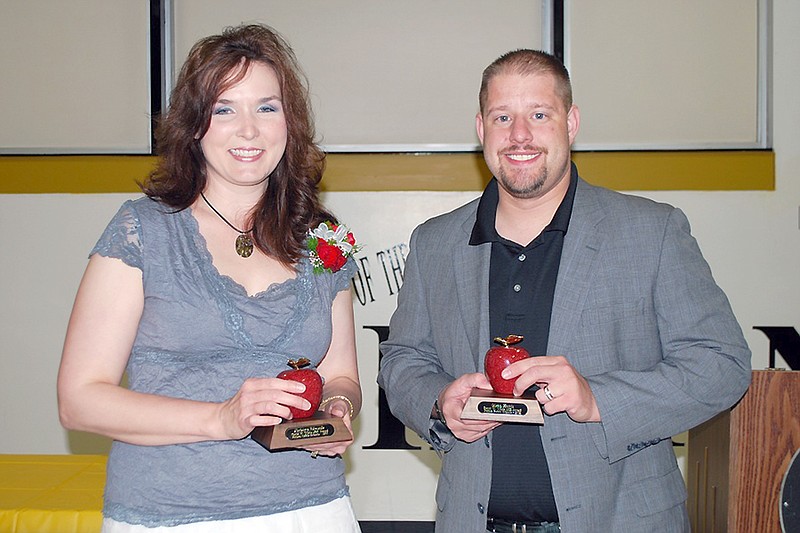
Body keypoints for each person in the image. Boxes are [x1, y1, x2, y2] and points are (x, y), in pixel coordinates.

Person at [377, 49, 751, 533]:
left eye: (539, 114)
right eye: (503, 117)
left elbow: (722, 364)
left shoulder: (652, 232)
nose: (520, 136)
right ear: (480, 129)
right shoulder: (435, 242)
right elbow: (402, 358)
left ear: (571, 123)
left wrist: (598, 399)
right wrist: (438, 401)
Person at [57, 24, 362, 532]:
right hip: (169, 517)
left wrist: (336, 405)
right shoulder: (142, 231)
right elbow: (79, 400)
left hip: (315, 511)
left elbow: (342, 374)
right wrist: (221, 419)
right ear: (194, 126)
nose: (249, 130)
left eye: (267, 107)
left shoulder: (323, 238)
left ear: (290, 123)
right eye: (225, 109)